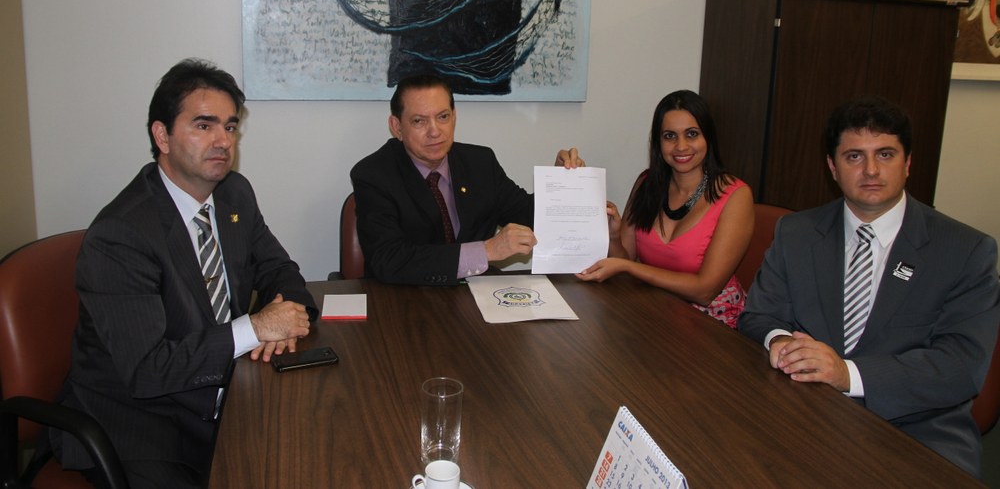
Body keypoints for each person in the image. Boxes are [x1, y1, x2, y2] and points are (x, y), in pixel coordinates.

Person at [50, 59, 317, 488]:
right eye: (204, 125)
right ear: (163, 136)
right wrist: (255, 327)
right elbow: (147, 369)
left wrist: (287, 318)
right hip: (141, 421)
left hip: (224, 394)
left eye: (230, 127)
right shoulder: (121, 234)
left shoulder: (234, 194)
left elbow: (279, 269)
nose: (223, 141)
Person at [738, 95, 1000, 477]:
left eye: (886, 154)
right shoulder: (796, 232)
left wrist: (848, 374)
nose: (871, 170)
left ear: (907, 163)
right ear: (833, 167)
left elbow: (960, 367)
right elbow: (760, 315)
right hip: (804, 412)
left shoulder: (965, 251)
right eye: (854, 156)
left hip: (916, 431)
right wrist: (781, 342)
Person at [350, 74, 584, 285]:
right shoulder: (373, 175)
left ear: (454, 117)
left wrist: (560, 183)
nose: (435, 131)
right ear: (397, 127)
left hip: (478, 297)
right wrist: (486, 250)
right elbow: (389, 260)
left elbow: (529, 216)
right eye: (419, 121)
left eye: (443, 117)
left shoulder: (480, 163)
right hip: (406, 301)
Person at [577, 90, 753, 328]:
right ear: (658, 143)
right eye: (670, 136)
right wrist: (614, 236)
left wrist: (630, 267)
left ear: (708, 138)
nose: (681, 146)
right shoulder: (647, 183)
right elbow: (623, 260)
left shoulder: (736, 196)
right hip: (656, 311)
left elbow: (705, 291)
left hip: (716, 322)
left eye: (692, 134)